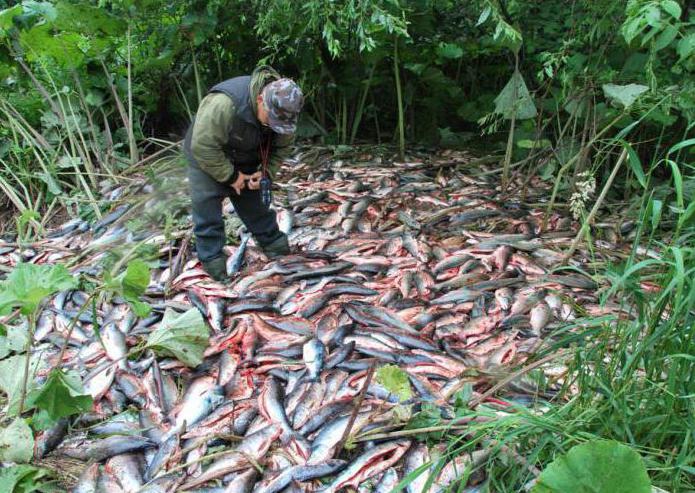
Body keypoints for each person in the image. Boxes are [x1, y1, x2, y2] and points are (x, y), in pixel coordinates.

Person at [183, 65, 304, 282]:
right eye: (272, 119)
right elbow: (202, 146)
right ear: (260, 100)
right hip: (207, 155)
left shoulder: (285, 112)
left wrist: (265, 172)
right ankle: (214, 269)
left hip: (248, 155)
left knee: (256, 206)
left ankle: (278, 250)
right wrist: (232, 178)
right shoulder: (224, 104)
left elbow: (282, 148)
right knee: (207, 209)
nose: (276, 125)